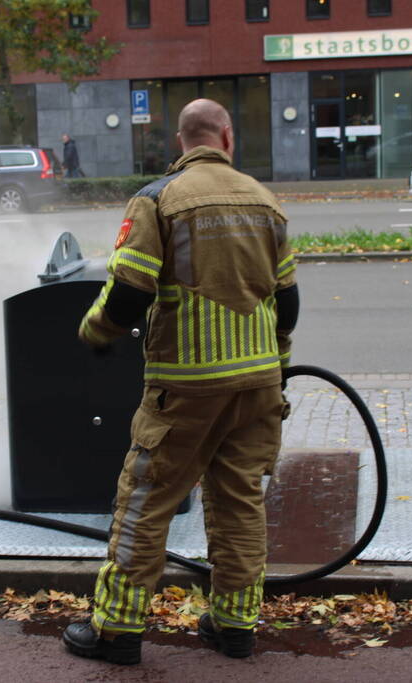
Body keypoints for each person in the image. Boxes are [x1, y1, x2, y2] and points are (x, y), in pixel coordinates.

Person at [63, 99, 299, 665]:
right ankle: (234, 626)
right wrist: (276, 360)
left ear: (181, 142)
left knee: (145, 501)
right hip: (259, 386)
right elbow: (287, 302)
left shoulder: (157, 199)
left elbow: (129, 292)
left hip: (186, 388)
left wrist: (94, 331)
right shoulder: (267, 202)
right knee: (241, 502)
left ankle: (117, 630)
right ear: (226, 136)